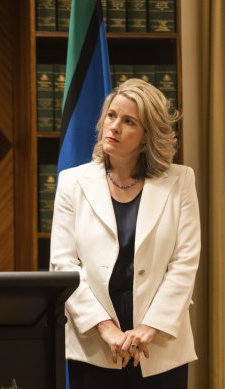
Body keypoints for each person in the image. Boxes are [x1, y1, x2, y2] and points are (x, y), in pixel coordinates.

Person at [50, 78, 200, 388]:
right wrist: (105, 328)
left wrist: (149, 328)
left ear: (147, 136)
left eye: (128, 121)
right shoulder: (72, 182)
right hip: (94, 338)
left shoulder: (180, 181)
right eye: (111, 115)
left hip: (159, 341)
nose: (114, 126)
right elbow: (63, 265)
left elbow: (185, 262)